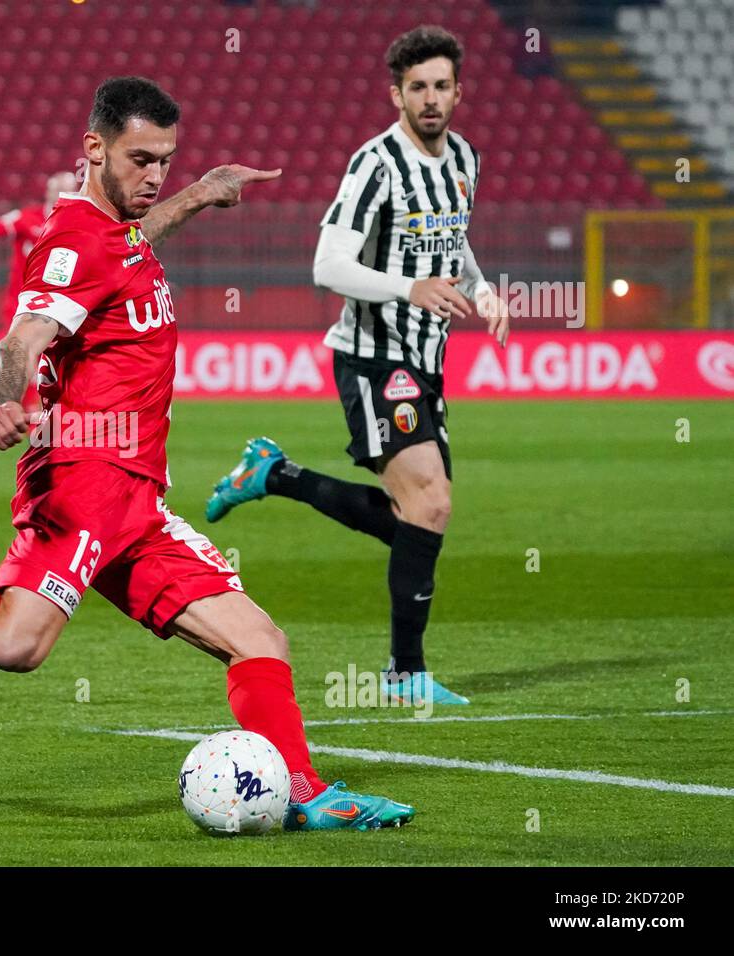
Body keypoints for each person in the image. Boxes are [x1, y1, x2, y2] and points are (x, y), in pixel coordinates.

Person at [0, 76, 415, 832]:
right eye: (140, 159)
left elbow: (135, 244)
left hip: (136, 501)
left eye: (166, 162)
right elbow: (22, 338)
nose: (154, 177)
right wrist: (3, 403)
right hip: (83, 482)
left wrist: (201, 193)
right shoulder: (73, 239)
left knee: (258, 640)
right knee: (13, 646)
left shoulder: (120, 231)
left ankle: (302, 794)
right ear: (94, 149)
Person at [205, 26, 510, 707]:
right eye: (417, 87)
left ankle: (274, 474)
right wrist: (408, 288)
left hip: (428, 358)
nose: (430, 99)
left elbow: (451, 246)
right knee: (431, 501)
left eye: (440, 86)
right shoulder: (375, 164)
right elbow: (328, 265)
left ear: (458, 91)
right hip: (373, 357)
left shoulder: (463, 157)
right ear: (396, 93)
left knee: (418, 518)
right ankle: (404, 674)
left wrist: (482, 290)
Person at [0, 171, 80, 325]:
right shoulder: (27, 217)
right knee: (15, 347)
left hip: (58, 302)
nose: (64, 194)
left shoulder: (78, 223)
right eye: (59, 189)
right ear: (48, 192)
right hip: (21, 302)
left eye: (69, 190)